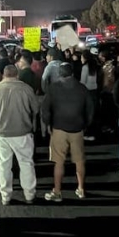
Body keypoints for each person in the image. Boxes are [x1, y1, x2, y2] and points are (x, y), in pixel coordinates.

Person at [0, 64, 39, 205]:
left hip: (2, 134)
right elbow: (36, 109)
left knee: (4, 165)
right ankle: (29, 195)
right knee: (26, 163)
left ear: (4, 75)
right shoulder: (26, 89)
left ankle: (6, 196)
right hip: (23, 132)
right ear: (17, 75)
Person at [41, 62, 94, 201]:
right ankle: (81, 189)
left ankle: (57, 191)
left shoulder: (53, 88)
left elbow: (45, 109)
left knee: (59, 161)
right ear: (72, 73)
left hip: (58, 127)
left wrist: (48, 123)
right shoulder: (82, 88)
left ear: (59, 74)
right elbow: (90, 109)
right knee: (79, 160)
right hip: (77, 128)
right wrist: (86, 124)